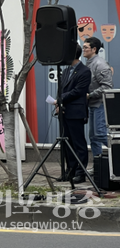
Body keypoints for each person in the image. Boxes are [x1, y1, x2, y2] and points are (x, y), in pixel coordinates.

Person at [55, 44, 91, 184]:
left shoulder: (84, 71)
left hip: (76, 112)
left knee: (78, 143)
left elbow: (78, 91)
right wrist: (58, 103)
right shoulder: (66, 71)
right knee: (66, 142)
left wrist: (61, 99)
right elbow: (61, 89)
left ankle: (80, 172)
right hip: (64, 111)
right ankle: (69, 171)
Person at [83, 37, 113, 161]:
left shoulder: (100, 64)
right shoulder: (89, 63)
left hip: (100, 104)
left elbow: (107, 87)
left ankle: (117, 149)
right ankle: (98, 166)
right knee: (93, 137)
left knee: (99, 134)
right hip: (92, 105)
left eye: (86, 47)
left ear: (94, 49)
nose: (83, 49)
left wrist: (90, 95)